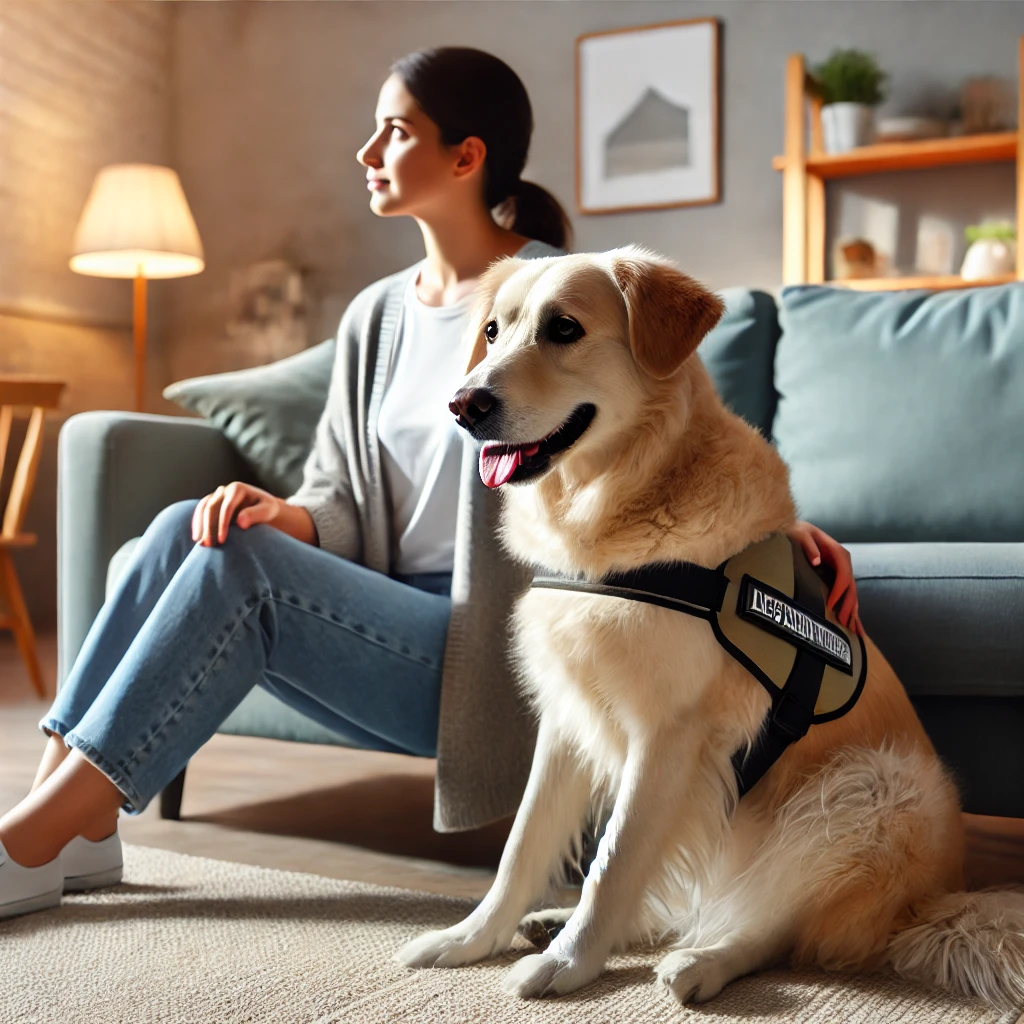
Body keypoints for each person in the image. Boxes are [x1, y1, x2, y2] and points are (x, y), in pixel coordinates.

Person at [0, 47, 861, 921]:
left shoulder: (562, 296)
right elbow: (338, 492)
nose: (368, 150)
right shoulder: (375, 313)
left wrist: (776, 531)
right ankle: (65, 832)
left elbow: (676, 442)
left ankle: (27, 844)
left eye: (396, 129)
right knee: (192, 526)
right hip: (376, 615)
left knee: (240, 567)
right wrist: (284, 513)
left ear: (466, 156)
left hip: (487, 653)